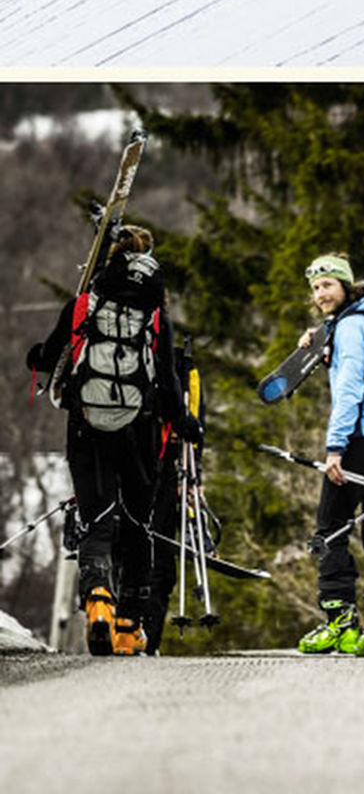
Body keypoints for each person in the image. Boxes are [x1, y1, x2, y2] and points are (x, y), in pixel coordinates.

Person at [24, 226, 199, 656]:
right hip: (140, 427)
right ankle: (128, 626)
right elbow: (169, 379)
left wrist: (36, 358)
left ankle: (99, 600)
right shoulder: (156, 313)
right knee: (139, 523)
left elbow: (50, 356)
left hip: (87, 424)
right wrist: (185, 421)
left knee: (95, 516)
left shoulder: (83, 303)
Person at [296, 255, 364, 656]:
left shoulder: (352, 328)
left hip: (357, 442)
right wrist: (321, 335)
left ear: (345, 286)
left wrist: (335, 448)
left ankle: (340, 623)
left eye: (328, 285)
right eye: (316, 288)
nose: (321, 294)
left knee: (330, 531)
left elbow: (349, 392)